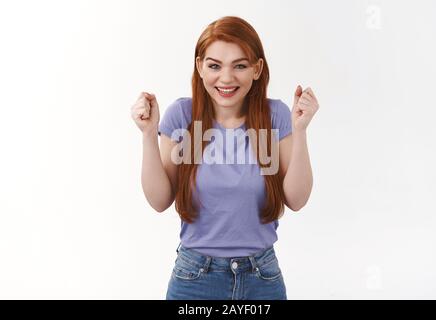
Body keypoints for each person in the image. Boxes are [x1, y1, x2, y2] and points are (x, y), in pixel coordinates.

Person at [130, 16, 319, 300]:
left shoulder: (275, 116)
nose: (227, 78)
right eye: (214, 65)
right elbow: (159, 201)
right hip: (194, 278)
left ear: (257, 69)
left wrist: (301, 130)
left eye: (240, 65)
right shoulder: (183, 116)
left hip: (261, 277)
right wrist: (147, 135)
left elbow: (296, 199)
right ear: (200, 67)